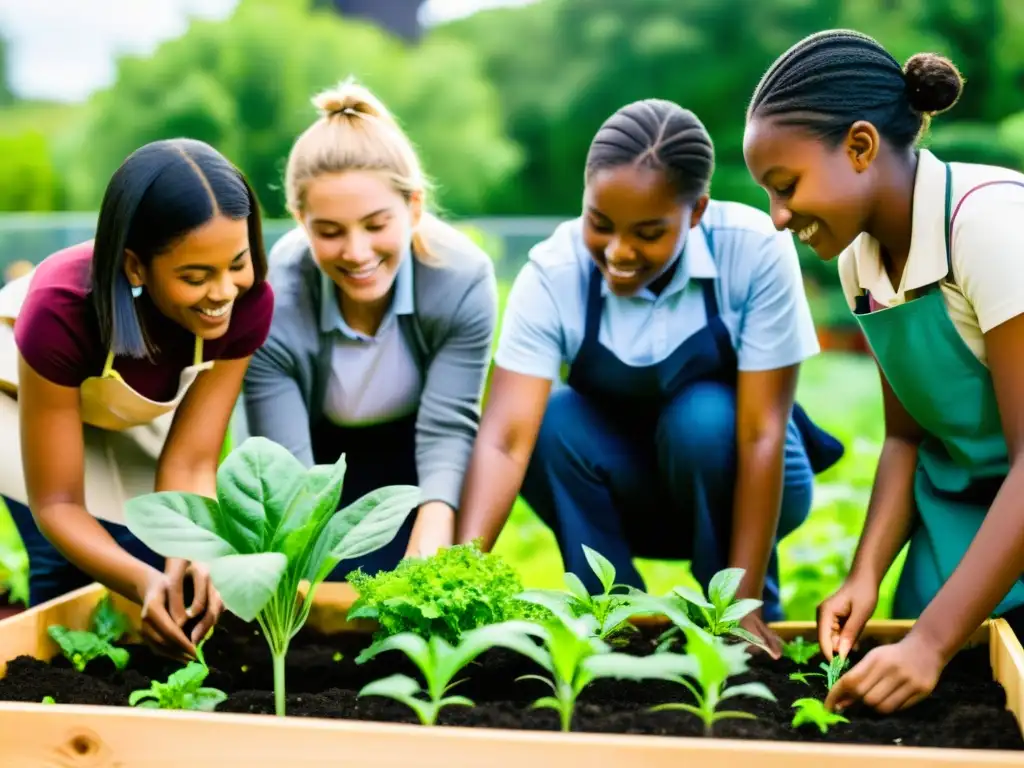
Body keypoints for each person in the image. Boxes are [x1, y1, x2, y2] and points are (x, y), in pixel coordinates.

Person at [454, 98, 843, 654]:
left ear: (698, 211)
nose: (618, 251)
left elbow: (761, 432)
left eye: (648, 232)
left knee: (702, 417)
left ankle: (731, 619)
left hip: (746, 480)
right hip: (626, 489)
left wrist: (745, 601)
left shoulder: (753, 249)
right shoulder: (554, 270)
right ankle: (609, 622)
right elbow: (506, 439)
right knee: (552, 418)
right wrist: (460, 578)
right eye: (600, 223)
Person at [744, 29, 1024, 714]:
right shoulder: (857, 260)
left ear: (861, 147)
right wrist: (862, 576)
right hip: (960, 515)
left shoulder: (989, 223)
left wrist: (930, 641)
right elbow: (906, 438)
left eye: (787, 186)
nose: (778, 218)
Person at [0, 138, 274, 658]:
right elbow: (58, 503)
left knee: (160, 547)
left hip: (120, 407)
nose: (222, 292)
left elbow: (192, 460)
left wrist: (196, 551)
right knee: (66, 567)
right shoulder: (59, 311)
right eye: (196, 277)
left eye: (236, 263)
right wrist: (141, 583)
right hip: (13, 403)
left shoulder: (248, 299)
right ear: (134, 266)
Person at [243, 79, 497, 576]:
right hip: (321, 463)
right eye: (330, 232)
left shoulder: (461, 279)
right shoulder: (274, 300)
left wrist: (430, 553)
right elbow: (288, 473)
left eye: (376, 225)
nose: (357, 253)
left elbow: (447, 430)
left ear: (414, 207)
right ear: (300, 220)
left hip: (417, 462)